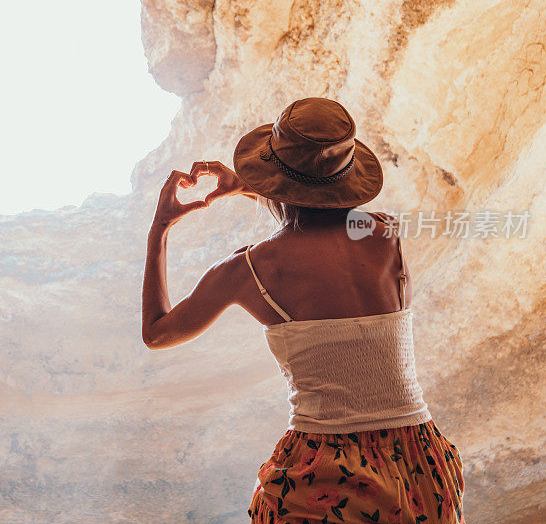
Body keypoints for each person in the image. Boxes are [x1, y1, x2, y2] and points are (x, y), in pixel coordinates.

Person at [141, 97, 465, 523]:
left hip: (325, 476)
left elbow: (157, 332)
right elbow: (322, 221)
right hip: (421, 466)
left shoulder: (251, 270)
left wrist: (160, 229)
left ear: (272, 176)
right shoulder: (386, 235)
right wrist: (249, 187)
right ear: (345, 176)